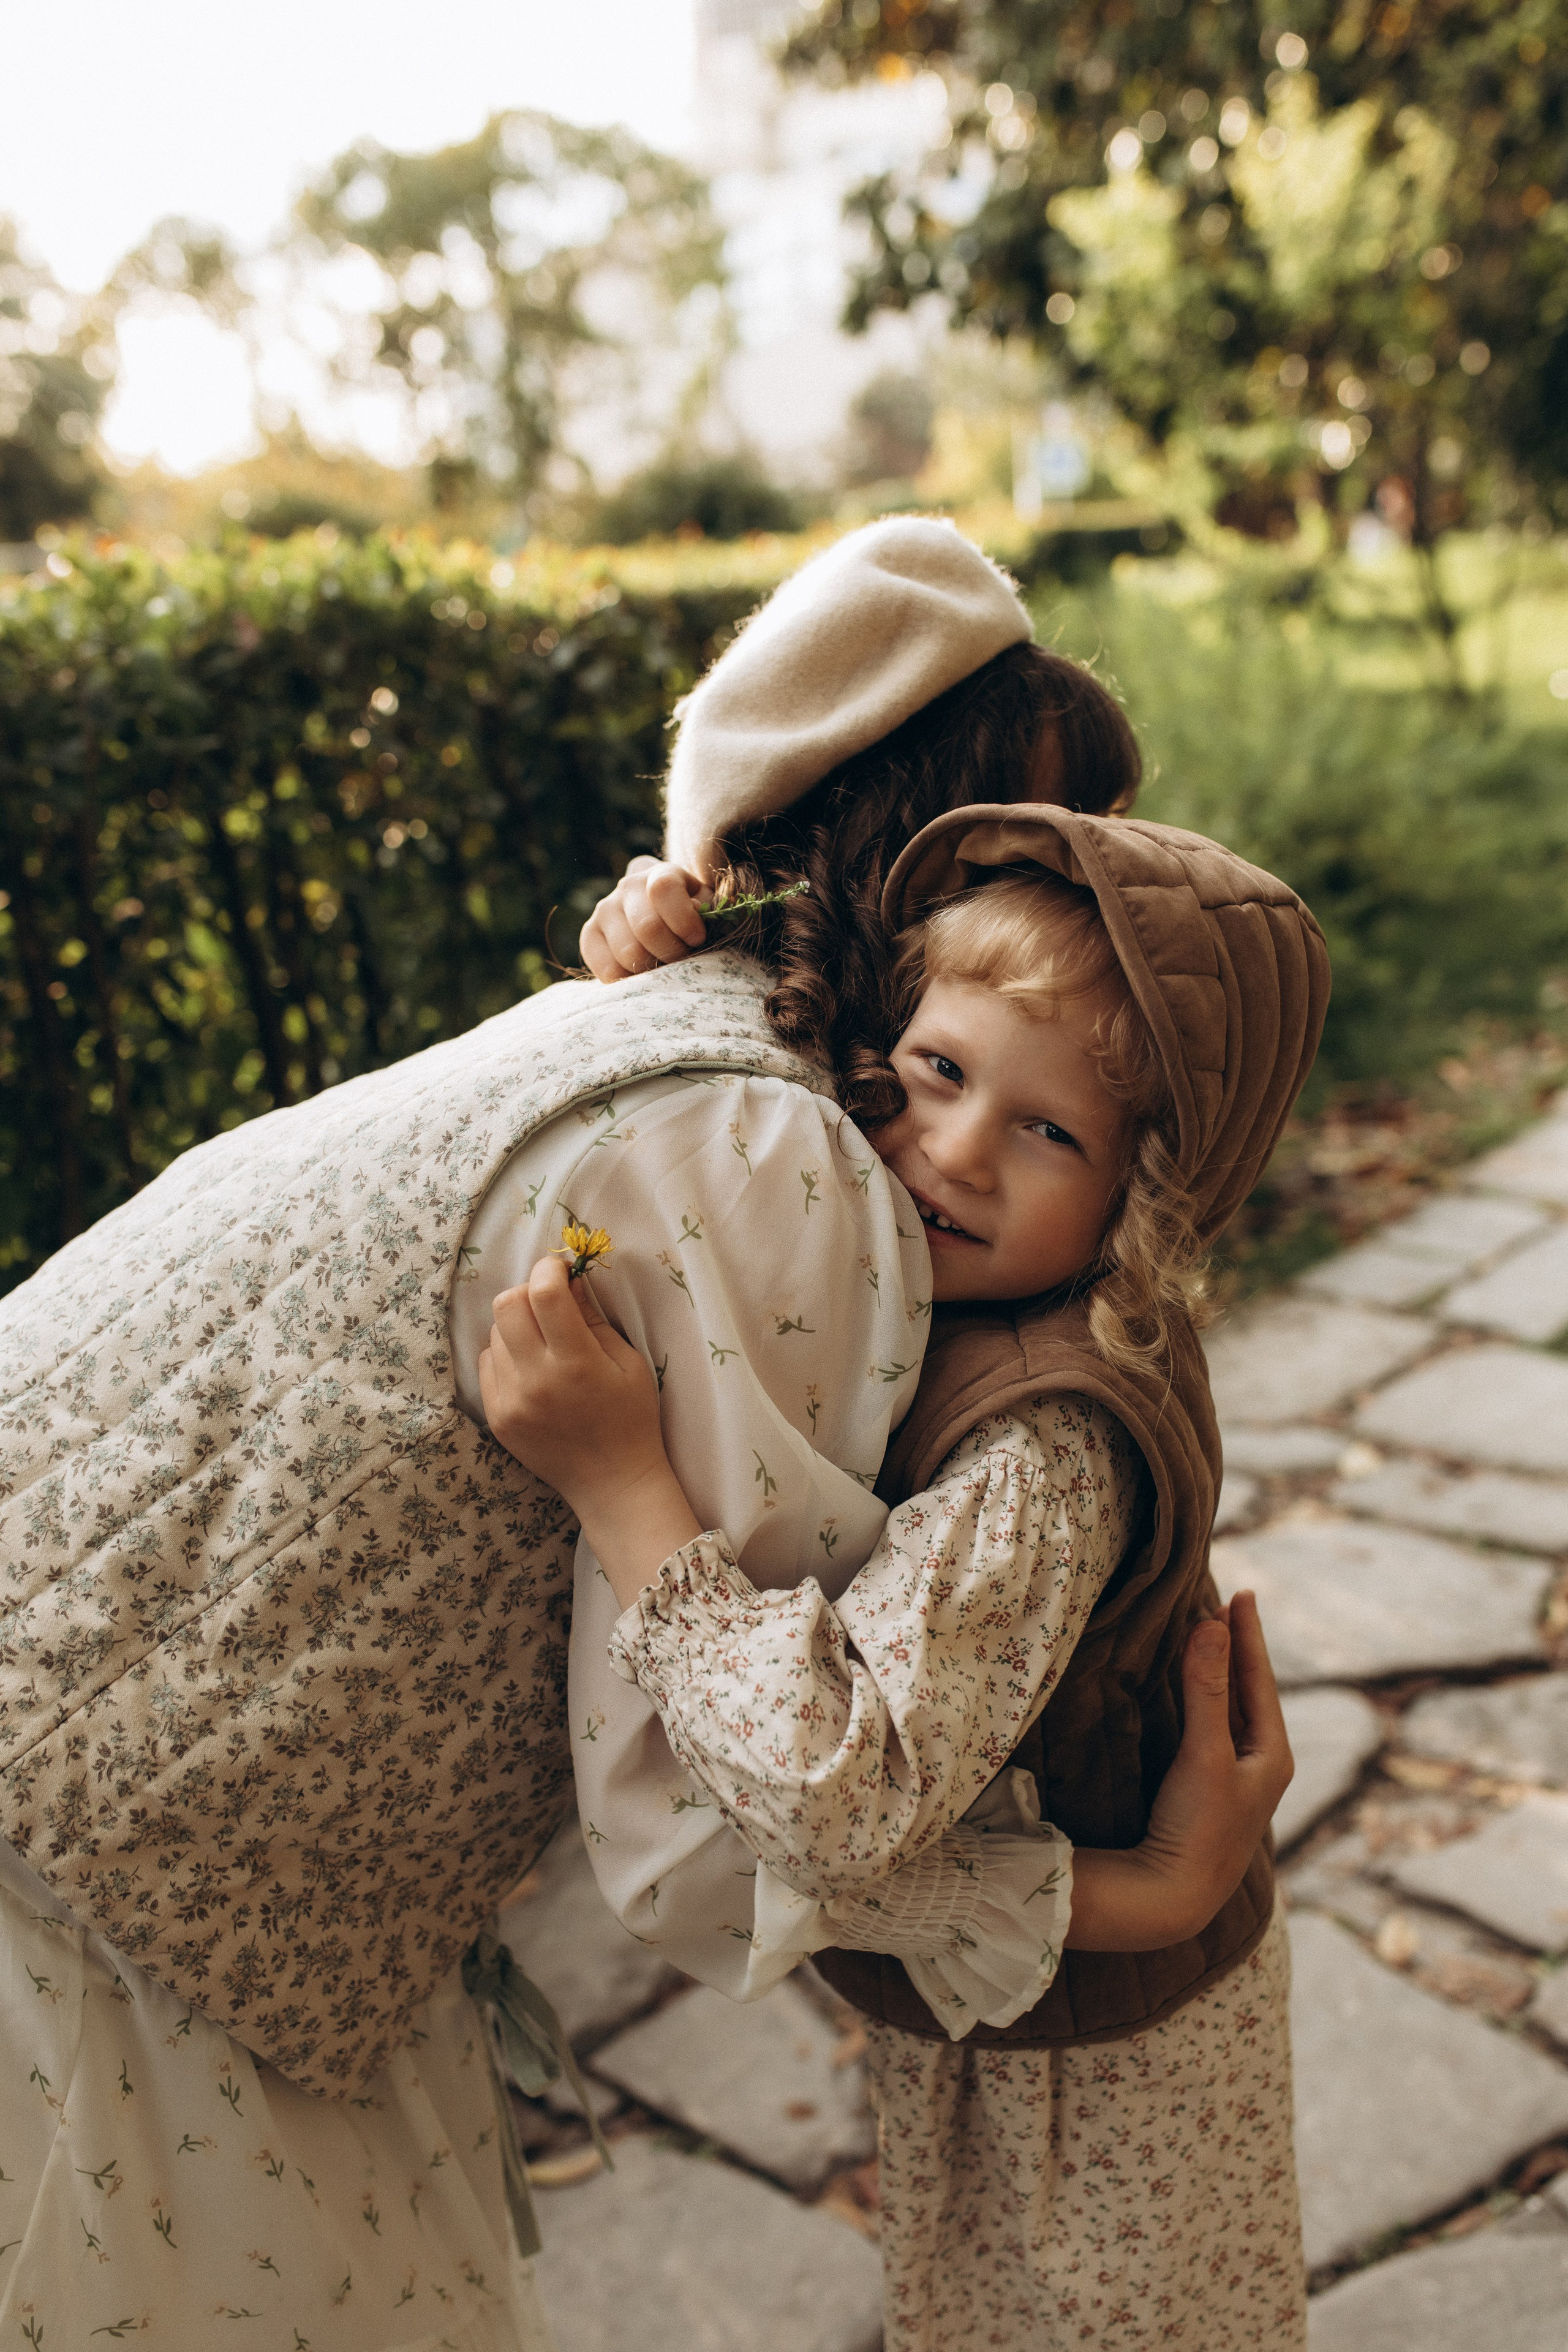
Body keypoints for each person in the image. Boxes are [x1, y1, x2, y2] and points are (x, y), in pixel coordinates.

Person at [0, 519, 1141, 2348]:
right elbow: (716, 1821)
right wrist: (1121, 1893)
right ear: (923, 857)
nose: (1088, 910)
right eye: (1044, 857)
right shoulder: (774, 1156)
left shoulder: (648, 1026)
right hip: (113, 1908)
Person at [480, 804, 1328, 2351]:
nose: (947, 1149)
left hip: (1105, 2077)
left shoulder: (1047, 1446)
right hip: (1021, 2013)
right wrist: (662, 930)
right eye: (935, 1072)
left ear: (1147, 1192)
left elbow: (831, 1788)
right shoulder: (949, 1267)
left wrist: (620, 1483)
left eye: (1049, 1130)